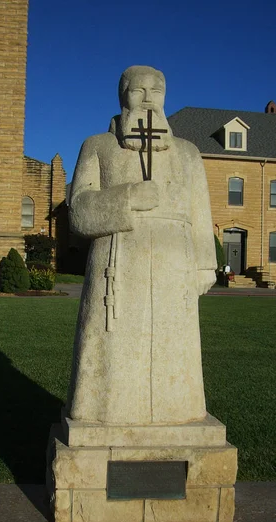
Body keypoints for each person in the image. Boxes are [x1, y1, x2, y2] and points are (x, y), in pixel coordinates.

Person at [66, 65, 216, 426]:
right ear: (123, 96)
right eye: (138, 90)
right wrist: (128, 197)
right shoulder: (97, 147)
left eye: (156, 91)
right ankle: (106, 414)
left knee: (173, 351)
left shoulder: (188, 153)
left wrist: (204, 265)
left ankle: (177, 413)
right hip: (118, 267)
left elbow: (200, 210)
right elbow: (78, 212)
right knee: (114, 350)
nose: (148, 98)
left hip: (174, 269)